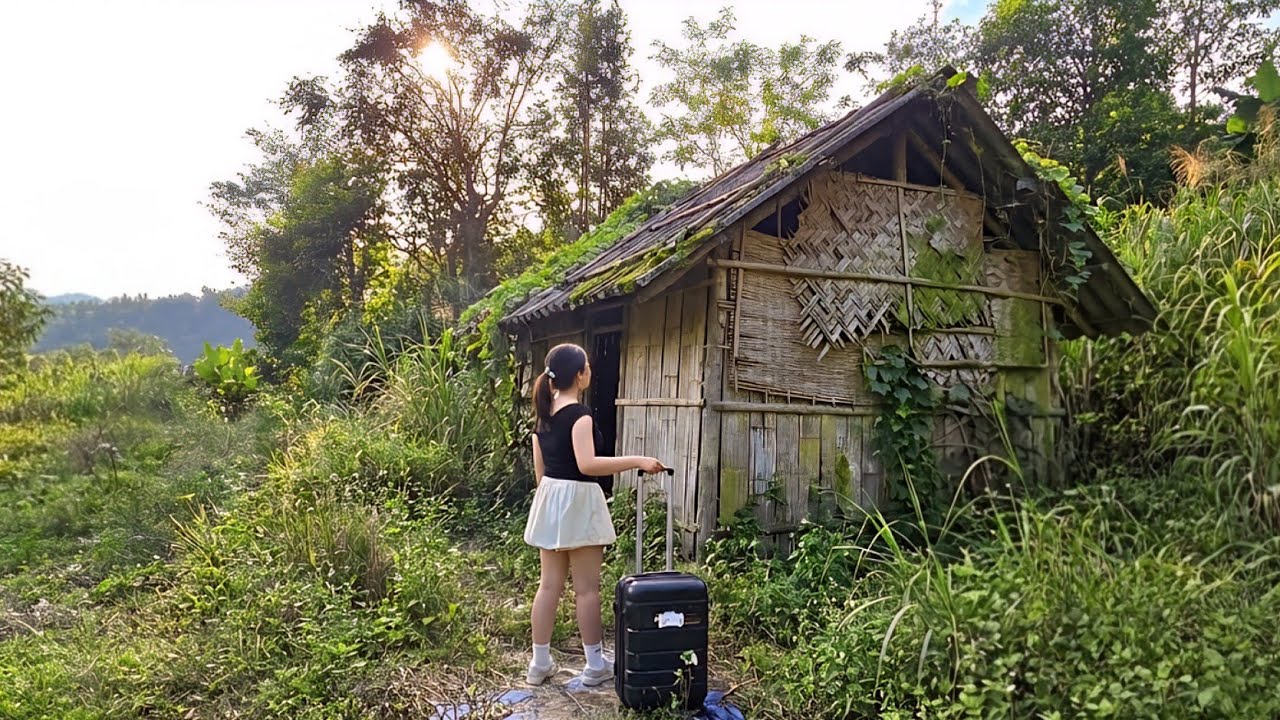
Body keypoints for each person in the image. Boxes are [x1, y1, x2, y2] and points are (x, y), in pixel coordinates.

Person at [523, 342, 664, 687]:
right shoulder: (580, 415)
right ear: (581, 375)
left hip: (551, 499)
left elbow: (540, 474)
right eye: (588, 366)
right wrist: (638, 460)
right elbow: (587, 464)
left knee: (549, 586)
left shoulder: (544, 413)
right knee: (587, 590)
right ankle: (595, 665)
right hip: (579, 501)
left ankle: (539, 663)